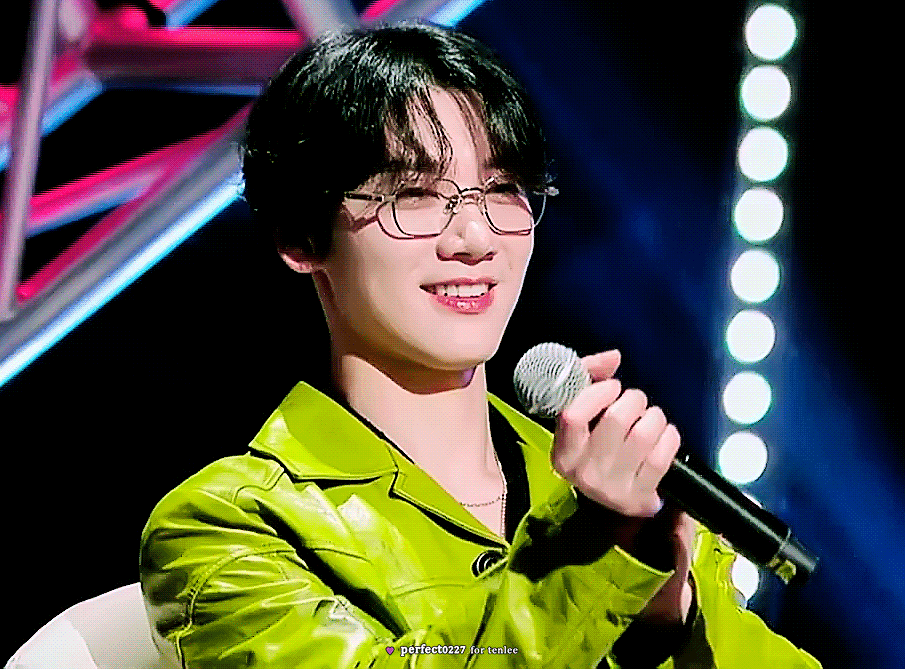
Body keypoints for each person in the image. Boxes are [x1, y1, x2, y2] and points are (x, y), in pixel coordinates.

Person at [139, 22, 822, 668]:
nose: (474, 237)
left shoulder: (614, 486)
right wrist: (589, 551)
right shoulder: (230, 525)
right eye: (413, 193)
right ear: (300, 235)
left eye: (501, 189)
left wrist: (669, 618)